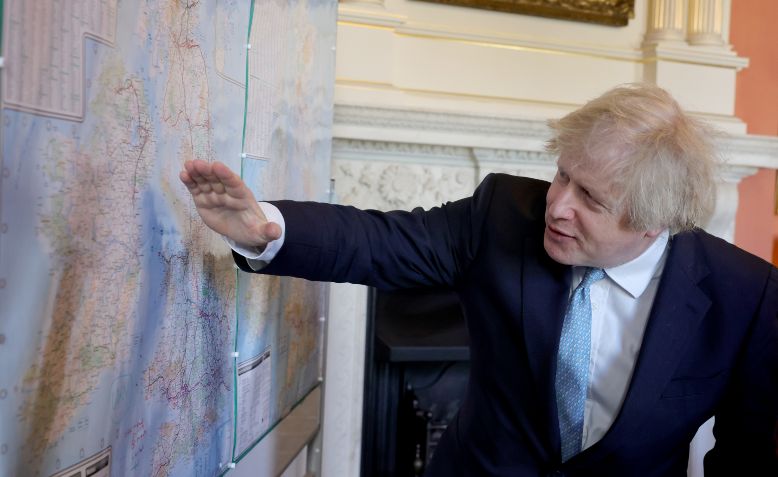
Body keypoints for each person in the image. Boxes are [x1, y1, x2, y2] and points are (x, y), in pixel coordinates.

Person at [180, 84, 777, 476]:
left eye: (589, 197)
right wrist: (263, 229)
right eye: (562, 175)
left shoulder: (745, 297)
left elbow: (749, 456)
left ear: (652, 224)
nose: (558, 205)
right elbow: (378, 243)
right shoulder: (502, 215)